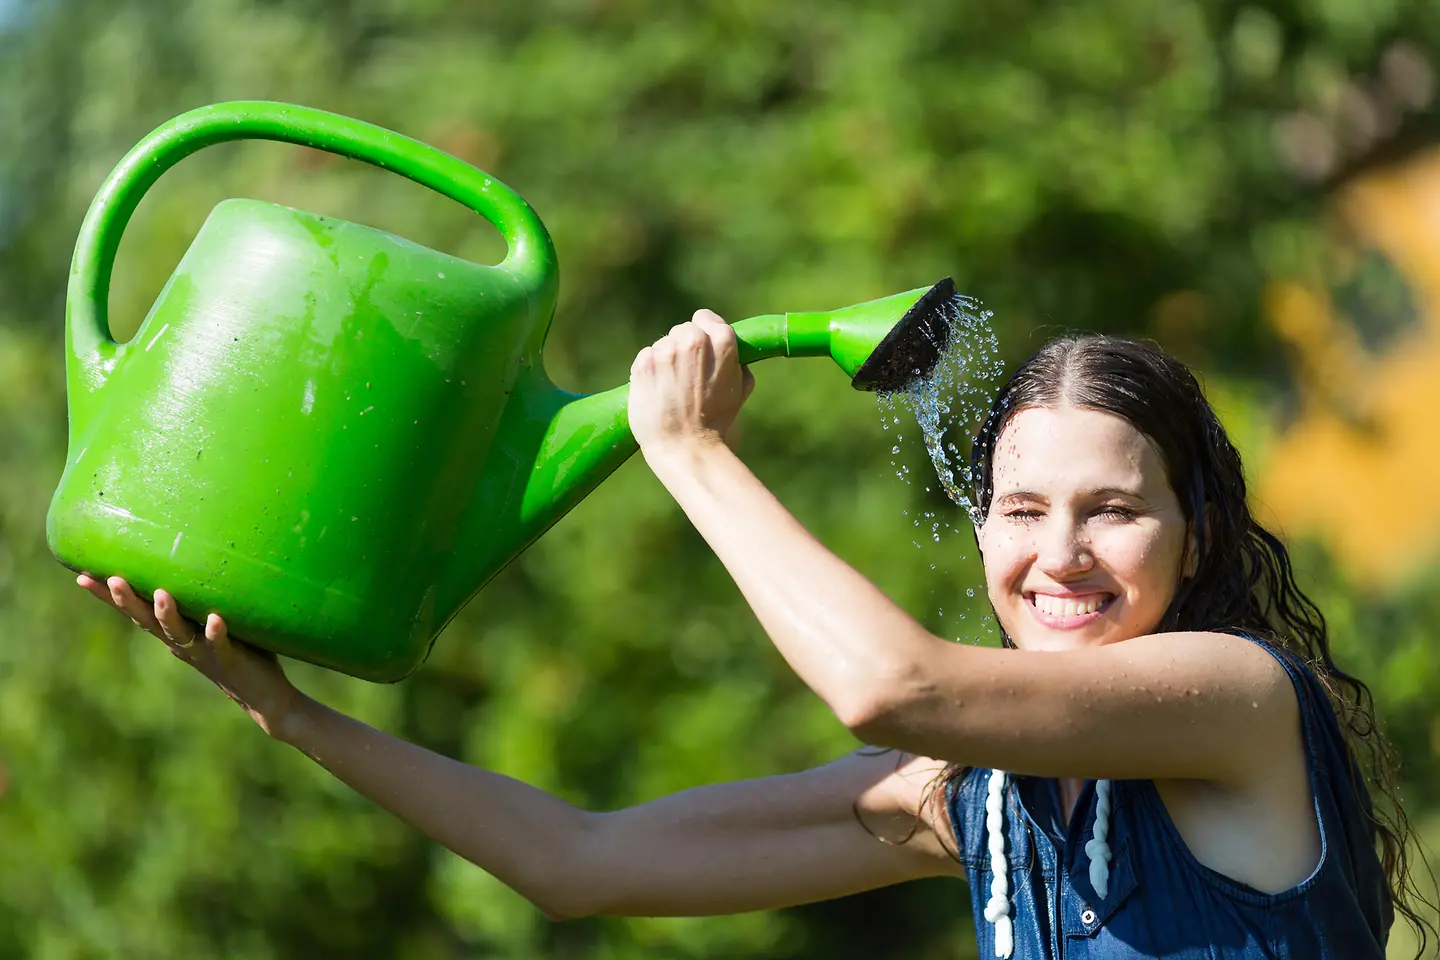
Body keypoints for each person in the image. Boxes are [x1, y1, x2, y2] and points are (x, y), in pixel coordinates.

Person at [79, 310, 1432, 958]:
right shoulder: (973, 803)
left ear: (1197, 534)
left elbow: (889, 685)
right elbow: (579, 862)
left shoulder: (1237, 698)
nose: (1059, 555)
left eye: (1114, 511)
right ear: (982, 532)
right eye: (1022, 510)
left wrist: (690, 452)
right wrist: (292, 716)